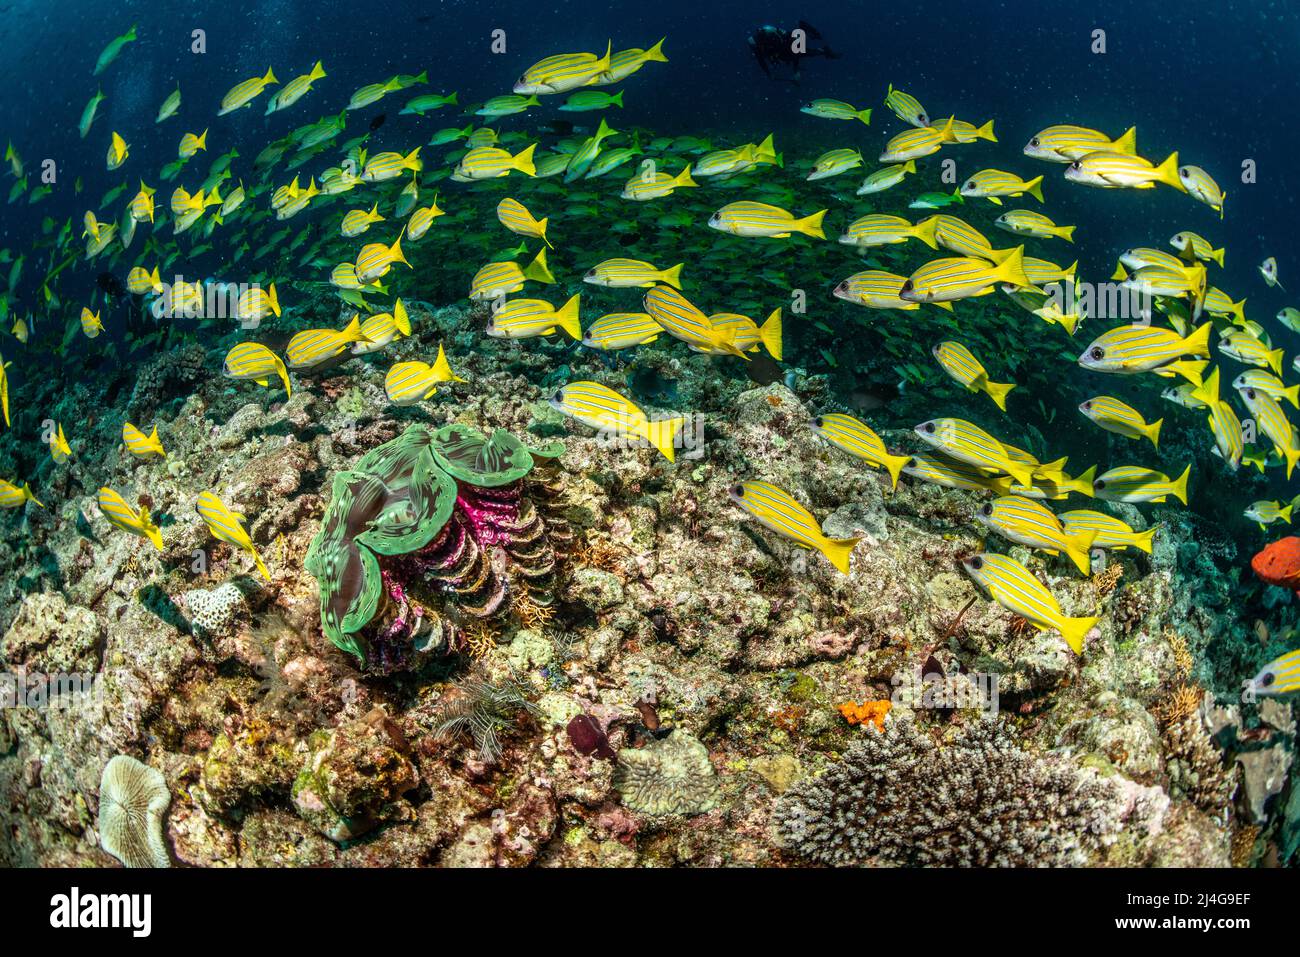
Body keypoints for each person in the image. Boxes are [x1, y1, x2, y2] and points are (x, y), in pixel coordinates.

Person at [748, 20, 839, 80]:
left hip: (790, 43)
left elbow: (794, 53)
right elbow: (761, 62)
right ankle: (823, 50)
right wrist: (768, 74)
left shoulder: (771, 40)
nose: (757, 50)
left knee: (802, 52)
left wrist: (796, 71)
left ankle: (821, 47)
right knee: (803, 52)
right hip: (789, 45)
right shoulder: (760, 48)